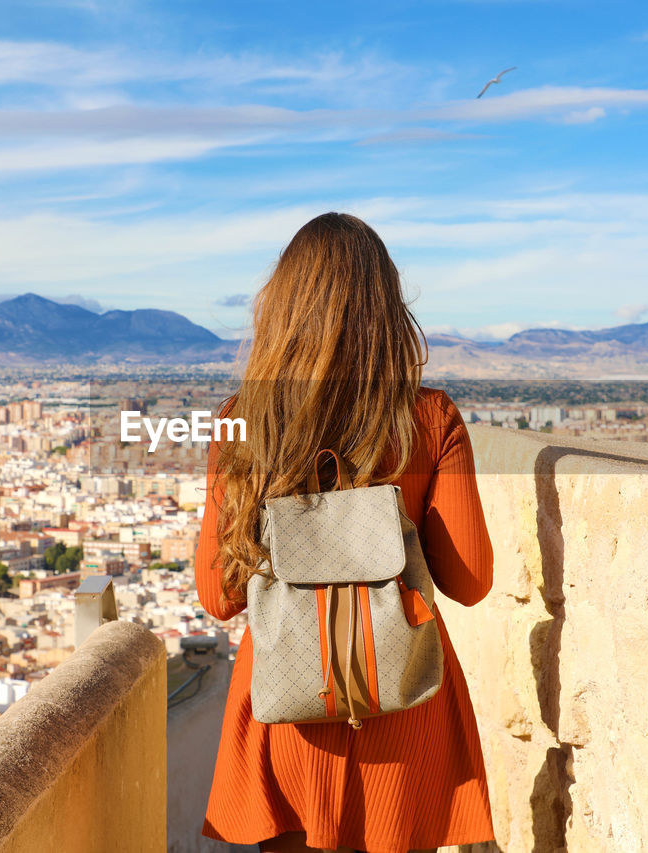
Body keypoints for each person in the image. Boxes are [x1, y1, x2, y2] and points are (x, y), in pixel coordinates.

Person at [194, 212, 495, 853]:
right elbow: (470, 581)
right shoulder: (430, 417)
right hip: (402, 713)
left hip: (286, 709)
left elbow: (218, 596)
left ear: (279, 311)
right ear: (388, 308)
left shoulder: (239, 424)